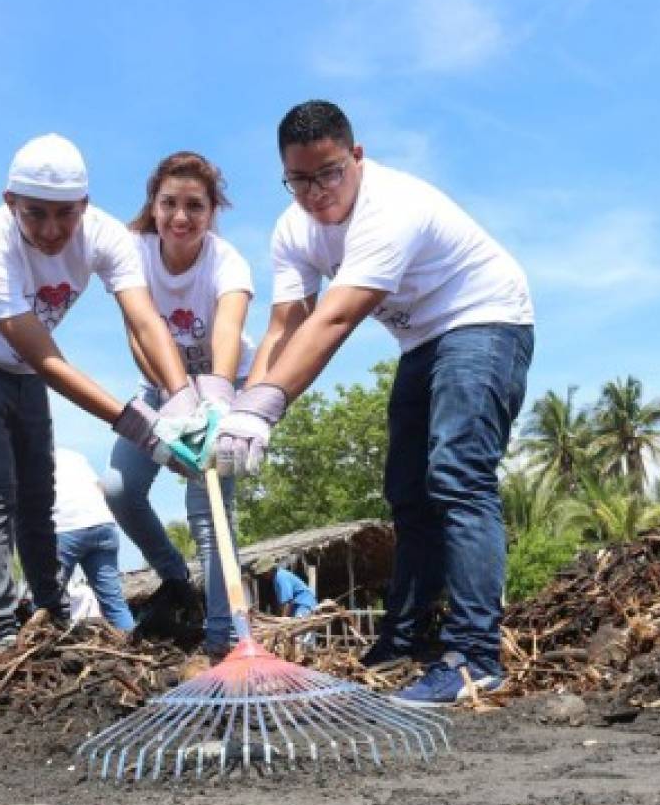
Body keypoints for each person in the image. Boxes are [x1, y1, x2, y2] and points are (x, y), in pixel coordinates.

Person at [211, 100, 535, 707]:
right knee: (407, 492)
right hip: (422, 339)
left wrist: (268, 407)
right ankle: (407, 638)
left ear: (356, 157)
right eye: (299, 179)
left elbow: (335, 319)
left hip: (485, 318)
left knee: (457, 473)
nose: (316, 193)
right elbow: (287, 322)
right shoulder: (293, 229)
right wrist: (239, 406)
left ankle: (473, 655)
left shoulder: (391, 208)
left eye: (329, 173)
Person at [0, 133, 208, 652]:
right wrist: (140, 426)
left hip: (22, 371)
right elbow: (44, 357)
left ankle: (49, 610)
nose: (52, 231)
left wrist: (181, 396)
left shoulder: (103, 236)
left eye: (65, 215)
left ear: (85, 205)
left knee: (38, 491)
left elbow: (143, 317)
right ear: (11, 203)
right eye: (36, 215)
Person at [101, 151, 255, 658]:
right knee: (120, 488)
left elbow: (228, 332)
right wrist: (172, 402)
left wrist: (215, 406)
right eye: (169, 203)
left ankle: (223, 638)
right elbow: (139, 332)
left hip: (221, 387)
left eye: (195, 205)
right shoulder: (133, 250)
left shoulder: (226, 261)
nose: (181, 217)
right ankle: (173, 577)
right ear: (153, 204)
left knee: (209, 507)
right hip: (162, 388)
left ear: (213, 212)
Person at [51, 447, 135, 632]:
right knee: (114, 604)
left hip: (65, 528)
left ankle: (43, 653)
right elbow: (100, 488)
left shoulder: (26, 458)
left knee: (48, 601)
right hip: (103, 524)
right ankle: (138, 651)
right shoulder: (74, 455)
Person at [251, 558, 317, 618]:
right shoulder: (275, 579)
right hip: (296, 605)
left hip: (303, 604)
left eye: (264, 573)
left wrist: (284, 618)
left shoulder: (281, 577)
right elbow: (282, 603)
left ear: (270, 570)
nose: (264, 576)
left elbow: (287, 601)